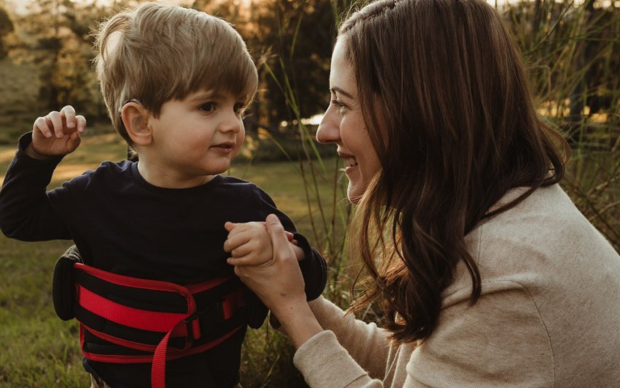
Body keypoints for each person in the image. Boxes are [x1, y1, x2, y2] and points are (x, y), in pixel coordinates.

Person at [225, 0, 620, 386]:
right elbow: (407, 367)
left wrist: (295, 312)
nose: (324, 130)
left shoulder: (504, 269)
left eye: (342, 104)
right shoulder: (495, 214)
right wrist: (292, 295)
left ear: (415, 113)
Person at [0, 3, 326, 388]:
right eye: (208, 106)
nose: (233, 124)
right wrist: (37, 158)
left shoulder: (246, 206)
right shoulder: (97, 195)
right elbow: (17, 219)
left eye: (238, 107)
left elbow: (313, 280)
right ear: (140, 122)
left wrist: (285, 252)